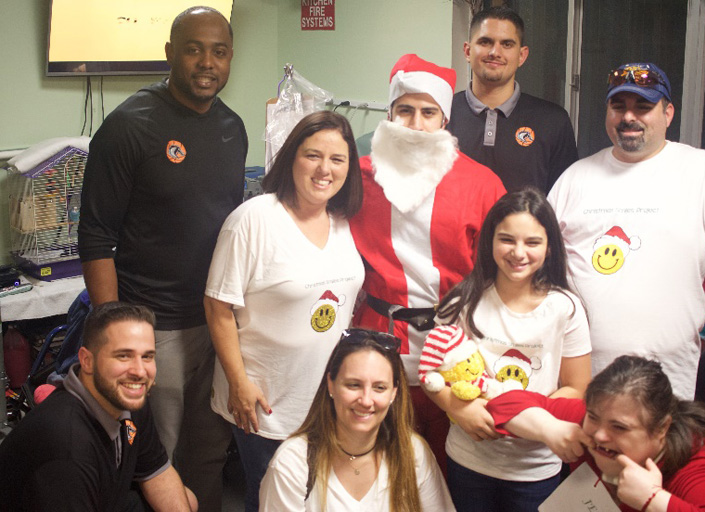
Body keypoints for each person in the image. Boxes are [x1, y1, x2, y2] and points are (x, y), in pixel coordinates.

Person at [77, 7, 247, 510]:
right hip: (157, 329)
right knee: (154, 458)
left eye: (219, 51)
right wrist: (116, 328)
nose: (206, 62)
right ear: (170, 53)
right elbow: (95, 236)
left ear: (230, 57)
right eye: (194, 49)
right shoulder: (130, 127)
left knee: (210, 452)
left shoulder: (231, 128)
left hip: (217, 322)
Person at [547, 61, 705, 399]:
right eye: (618, 106)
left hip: (668, 387)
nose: (628, 117)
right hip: (580, 382)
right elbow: (538, 264)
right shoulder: (574, 178)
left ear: (668, 113)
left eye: (644, 107)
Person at [349, 53, 506, 473]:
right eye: (405, 110)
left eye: (428, 112)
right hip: (375, 341)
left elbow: (499, 278)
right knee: (375, 461)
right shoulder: (356, 178)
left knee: (446, 463)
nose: (416, 125)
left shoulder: (482, 184)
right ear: (389, 115)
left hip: (453, 344)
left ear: (444, 121)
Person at [204, 110, 365, 511]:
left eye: (337, 159)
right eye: (312, 155)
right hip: (265, 400)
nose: (324, 169)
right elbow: (217, 306)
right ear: (291, 157)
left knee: (316, 496)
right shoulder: (253, 220)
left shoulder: (343, 222)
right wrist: (239, 383)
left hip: (324, 398)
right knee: (272, 496)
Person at [423, 188, 591, 511]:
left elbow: (577, 387)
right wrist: (458, 409)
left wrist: (529, 419)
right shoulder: (463, 301)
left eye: (532, 242)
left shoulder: (565, 308)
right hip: (469, 459)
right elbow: (431, 372)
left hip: (535, 467)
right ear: (489, 241)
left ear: (550, 247)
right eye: (507, 240)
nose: (518, 252)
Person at [489, 355, 705, 511]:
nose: (599, 436)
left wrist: (653, 500)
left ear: (661, 429)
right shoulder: (593, 424)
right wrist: (549, 428)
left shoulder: (701, 465)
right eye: (593, 417)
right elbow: (504, 403)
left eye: (619, 428)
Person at [0, 302, 197, 512]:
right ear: (87, 360)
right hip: (63, 496)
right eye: (123, 355)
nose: (140, 371)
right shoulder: (68, 447)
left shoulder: (126, 396)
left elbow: (157, 473)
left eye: (147, 356)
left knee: (188, 500)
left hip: (101, 495)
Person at [259, 328, 454, 512]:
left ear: (394, 393)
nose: (366, 400)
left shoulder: (414, 453)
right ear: (331, 384)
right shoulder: (293, 463)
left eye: (379, 388)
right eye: (353, 385)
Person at [447, 7, 577, 193]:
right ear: (467, 51)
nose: (495, 52)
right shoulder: (441, 115)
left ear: (522, 56)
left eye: (507, 44)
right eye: (485, 42)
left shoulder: (553, 121)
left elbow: (563, 202)